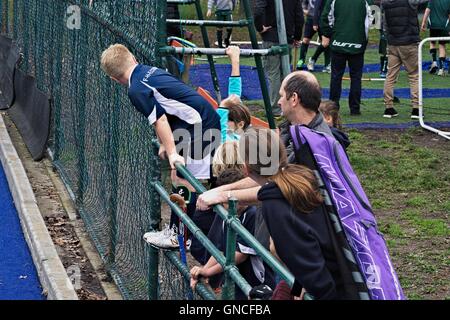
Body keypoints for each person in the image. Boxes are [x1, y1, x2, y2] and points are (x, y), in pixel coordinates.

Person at [100, 44, 222, 248]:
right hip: (195, 124)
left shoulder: (136, 89)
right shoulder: (148, 70)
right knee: (180, 178)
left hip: (200, 127)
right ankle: (182, 232)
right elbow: (165, 105)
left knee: (187, 180)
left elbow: (160, 120)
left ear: (113, 78)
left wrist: (173, 152)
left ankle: (181, 236)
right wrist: (168, 143)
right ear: (133, 57)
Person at [196, 71, 332, 210]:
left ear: (294, 99)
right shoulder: (293, 128)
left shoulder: (313, 143)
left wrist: (225, 195)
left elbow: (278, 187)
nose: (278, 101)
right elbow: (266, 176)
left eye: (281, 96)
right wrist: (221, 190)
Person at [244, 128, 345, 299]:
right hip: (343, 272)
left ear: (246, 168)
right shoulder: (300, 177)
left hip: (331, 288)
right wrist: (299, 286)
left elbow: (309, 265)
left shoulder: (275, 204)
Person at [190, 168, 276, 300]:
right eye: (223, 203)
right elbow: (222, 250)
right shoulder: (228, 215)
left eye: (227, 201)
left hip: (258, 281)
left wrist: (208, 271)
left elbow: (239, 255)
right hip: (238, 278)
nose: (225, 205)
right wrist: (204, 271)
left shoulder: (252, 214)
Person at [320, 0, 373, 116]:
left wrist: (329, 34)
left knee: (336, 77)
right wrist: (363, 36)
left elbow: (325, 18)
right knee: (356, 78)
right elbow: (373, 19)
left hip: (338, 43)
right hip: (357, 44)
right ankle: (355, 109)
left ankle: (333, 108)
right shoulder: (366, 1)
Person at [254, 0, 304, 117]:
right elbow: (299, 18)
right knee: (285, 73)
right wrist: (297, 36)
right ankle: (286, 106)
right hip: (287, 38)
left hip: (272, 37)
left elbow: (258, 10)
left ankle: (276, 109)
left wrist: (259, 27)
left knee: (274, 73)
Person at [381, 0, 429, 119]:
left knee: (390, 76)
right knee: (414, 76)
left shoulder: (385, 2)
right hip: (409, 43)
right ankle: (416, 109)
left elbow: (385, 25)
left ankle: (388, 108)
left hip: (392, 43)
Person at [297, 0, 331, 73]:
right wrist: (305, 10)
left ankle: (319, 62)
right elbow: (303, 3)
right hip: (310, 19)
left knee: (325, 42)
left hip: (322, 19)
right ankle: (301, 60)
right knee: (305, 40)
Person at [421, 0, 450, 76]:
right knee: (442, 45)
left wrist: (423, 22)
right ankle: (441, 69)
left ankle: (434, 62)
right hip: (444, 25)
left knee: (432, 42)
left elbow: (427, 10)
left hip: (433, 25)